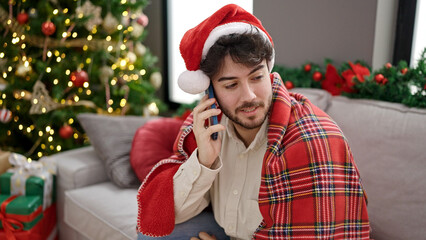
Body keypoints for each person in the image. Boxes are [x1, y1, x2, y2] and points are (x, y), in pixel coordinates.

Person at [136, 4, 370, 240]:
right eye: (231, 85)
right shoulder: (210, 125)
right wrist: (204, 162)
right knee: (151, 234)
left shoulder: (314, 141)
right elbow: (171, 213)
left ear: (268, 73)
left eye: (257, 77)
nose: (249, 96)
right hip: (226, 231)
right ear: (210, 92)